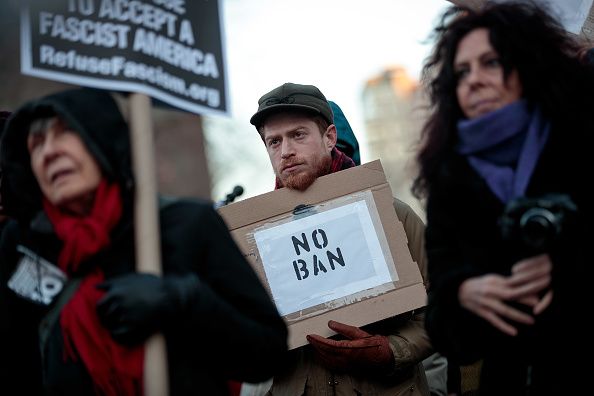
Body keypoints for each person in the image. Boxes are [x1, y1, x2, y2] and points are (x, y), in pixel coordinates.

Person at [0, 87, 288, 395]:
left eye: (65, 132)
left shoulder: (186, 225)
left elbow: (267, 352)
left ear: (101, 138)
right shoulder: (22, 248)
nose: (49, 151)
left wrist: (185, 299)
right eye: (37, 143)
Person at [412, 3, 593, 395]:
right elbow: (444, 330)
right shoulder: (449, 180)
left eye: (490, 62)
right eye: (462, 72)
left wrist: (568, 267)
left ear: (527, 67)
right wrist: (464, 294)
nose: (473, 80)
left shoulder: (580, 143)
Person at [250, 82, 433, 395]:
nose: (286, 151)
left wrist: (391, 351)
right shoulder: (254, 241)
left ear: (330, 137)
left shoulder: (394, 216)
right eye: (274, 141)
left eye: (298, 134)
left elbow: (444, 309)